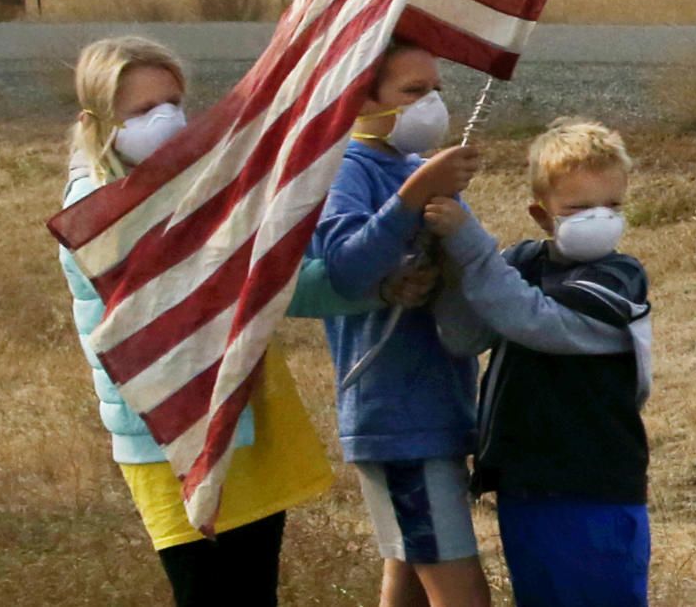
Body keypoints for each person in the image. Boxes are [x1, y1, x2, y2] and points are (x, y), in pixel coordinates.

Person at [58, 35, 434, 606]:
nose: (166, 119)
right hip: (172, 433)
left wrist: (378, 289)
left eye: (174, 102)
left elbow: (261, 274)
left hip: (238, 412)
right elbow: (226, 282)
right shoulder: (94, 214)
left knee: (253, 591)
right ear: (97, 121)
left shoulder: (191, 185)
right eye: (142, 110)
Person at [426, 118, 653, 607]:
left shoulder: (620, 278)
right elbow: (465, 335)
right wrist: (450, 265)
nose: (599, 218)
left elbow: (537, 321)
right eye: (578, 208)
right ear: (542, 214)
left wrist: (470, 244)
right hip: (525, 484)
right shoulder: (524, 262)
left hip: (595, 487)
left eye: (611, 206)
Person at [309, 39, 491, 607]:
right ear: (360, 100)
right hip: (396, 418)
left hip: (437, 407)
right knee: (462, 595)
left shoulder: (412, 167)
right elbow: (344, 267)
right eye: (412, 92)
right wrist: (413, 196)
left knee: (409, 578)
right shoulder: (347, 170)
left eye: (436, 90)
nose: (430, 104)